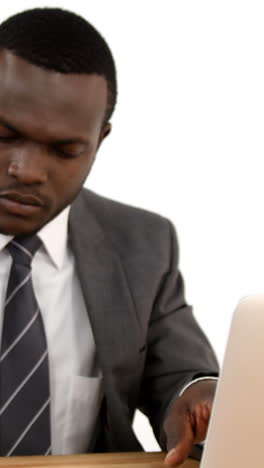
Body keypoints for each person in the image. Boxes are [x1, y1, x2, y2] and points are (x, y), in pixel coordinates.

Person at [0, 7, 218, 465]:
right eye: (3, 135)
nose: (27, 170)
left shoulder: (142, 244)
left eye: (65, 150)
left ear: (100, 140)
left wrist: (200, 401)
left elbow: (181, 378)